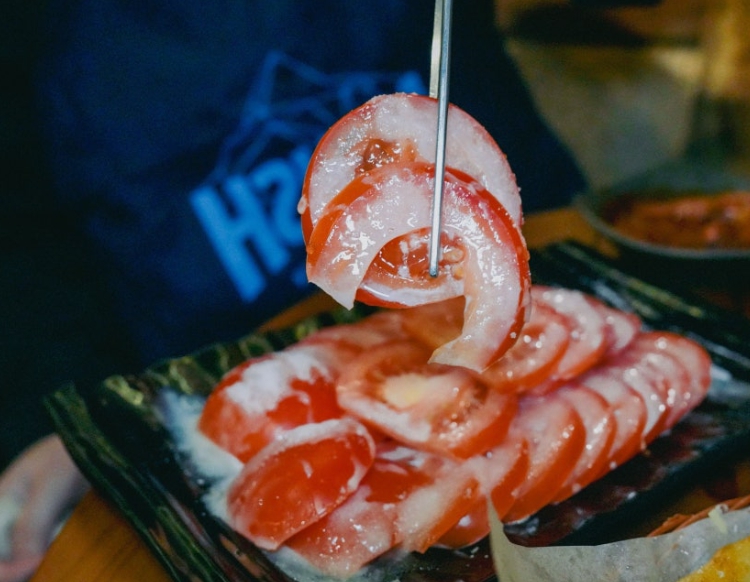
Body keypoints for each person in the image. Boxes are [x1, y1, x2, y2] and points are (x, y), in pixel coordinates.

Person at [0, 1, 591, 579]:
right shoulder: (42, 35)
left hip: (494, 274)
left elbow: (519, 142)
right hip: (184, 358)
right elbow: (26, 241)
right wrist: (65, 413)